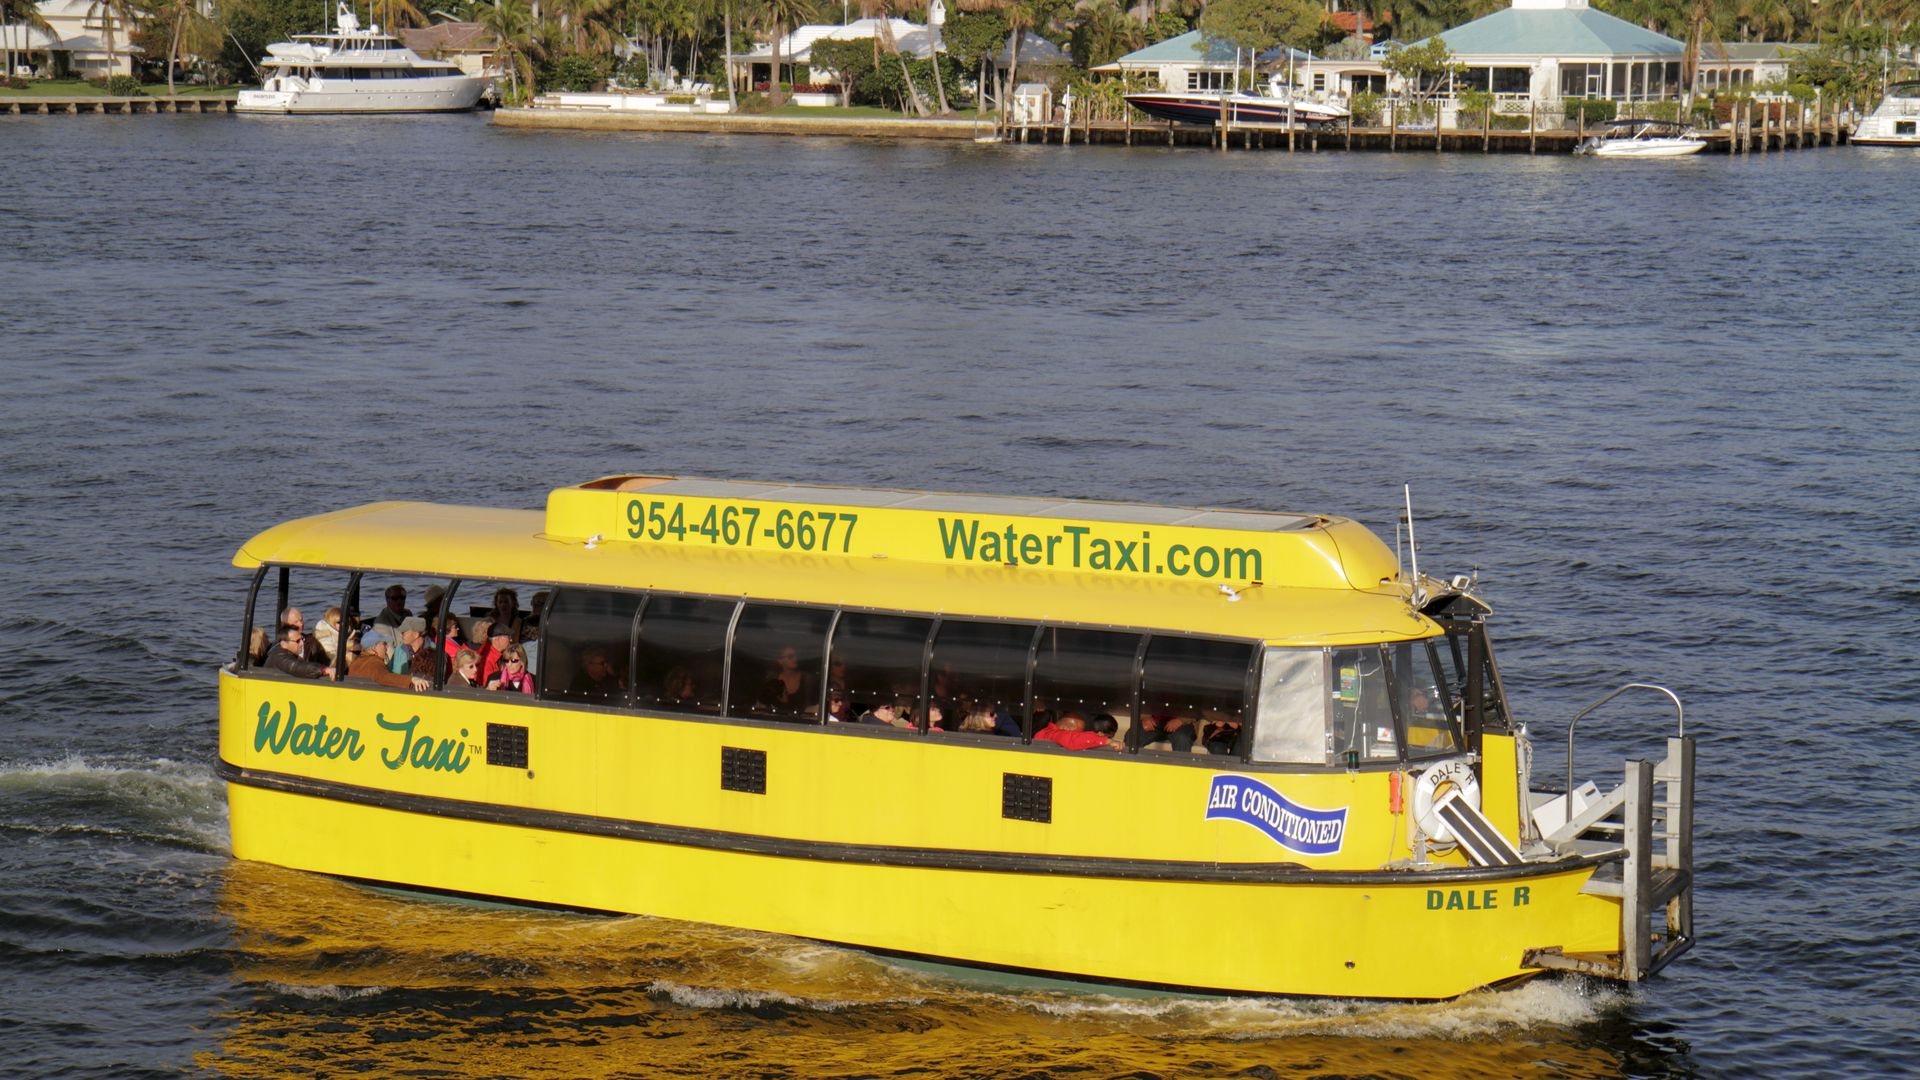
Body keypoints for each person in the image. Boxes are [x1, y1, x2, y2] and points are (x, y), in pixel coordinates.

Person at [350, 628, 430, 691]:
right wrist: (412, 679)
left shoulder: (356, 661)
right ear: (373, 648)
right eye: (384, 644)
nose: (387, 647)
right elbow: (384, 677)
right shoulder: (373, 663)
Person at [261, 625, 333, 679]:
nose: (302, 643)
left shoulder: (287, 653)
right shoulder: (279, 656)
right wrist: (324, 670)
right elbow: (296, 667)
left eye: (302, 639)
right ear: (284, 644)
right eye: (298, 641)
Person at [1035, 712, 1123, 751]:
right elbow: (1073, 739)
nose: (1079, 734)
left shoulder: (1050, 733)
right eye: (1078, 731)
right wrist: (1106, 741)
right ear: (1066, 728)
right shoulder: (1049, 734)